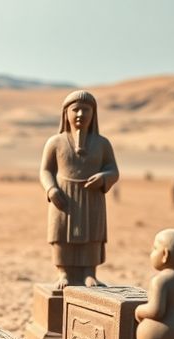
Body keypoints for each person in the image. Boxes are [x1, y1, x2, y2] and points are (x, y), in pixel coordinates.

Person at [39, 90, 119, 289]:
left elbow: (113, 170)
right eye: (76, 110)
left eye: (86, 110)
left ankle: (89, 273)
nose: (81, 114)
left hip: (91, 197)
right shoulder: (55, 142)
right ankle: (63, 273)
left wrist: (104, 177)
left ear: (94, 114)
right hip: (63, 198)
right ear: (66, 113)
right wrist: (51, 189)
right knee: (62, 235)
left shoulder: (102, 144)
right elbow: (45, 170)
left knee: (92, 235)